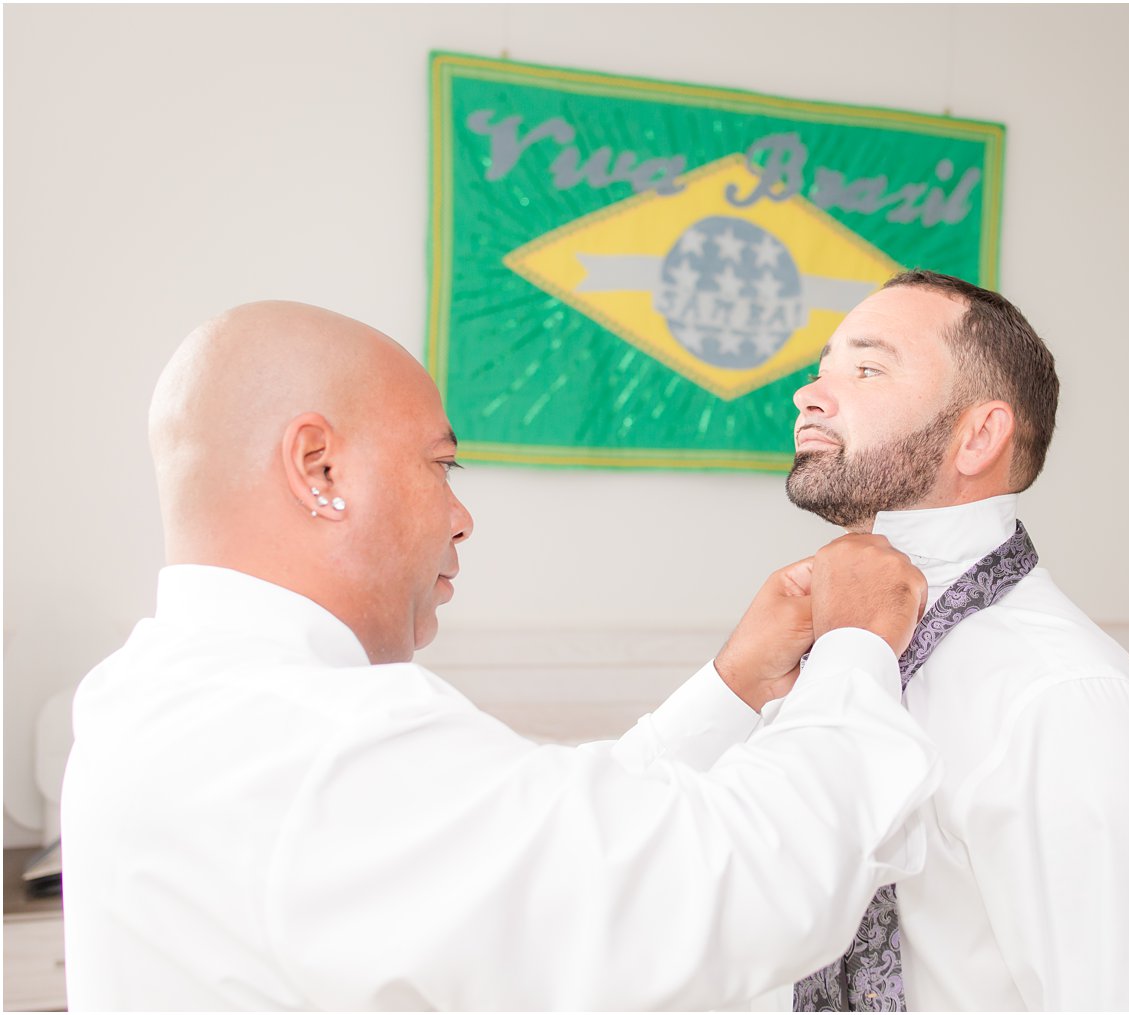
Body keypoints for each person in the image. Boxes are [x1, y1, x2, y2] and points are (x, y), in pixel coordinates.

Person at [60, 301, 943, 1011]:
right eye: (441, 465)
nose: (461, 516)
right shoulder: (324, 744)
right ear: (318, 468)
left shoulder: (142, 693)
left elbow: (535, 848)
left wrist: (729, 689)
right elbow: (711, 887)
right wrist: (859, 648)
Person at [783, 270, 1129, 1010]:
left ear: (978, 435)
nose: (809, 394)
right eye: (822, 369)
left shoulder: (1067, 702)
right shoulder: (824, 651)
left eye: (867, 368)